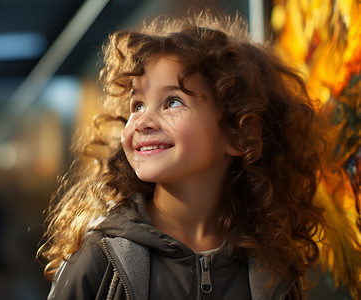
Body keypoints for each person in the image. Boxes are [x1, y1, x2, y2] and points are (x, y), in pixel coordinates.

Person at [39, 9, 327, 299]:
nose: (142, 121)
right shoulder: (102, 257)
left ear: (241, 133)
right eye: (137, 105)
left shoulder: (270, 267)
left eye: (173, 101)